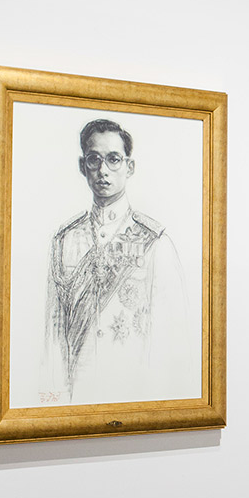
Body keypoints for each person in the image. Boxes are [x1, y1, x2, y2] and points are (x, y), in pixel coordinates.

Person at [44, 118, 191, 404]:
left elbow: (173, 340)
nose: (103, 170)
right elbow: (53, 334)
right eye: (94, 159)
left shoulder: (155, 242)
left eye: (113, 159)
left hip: (135, 393)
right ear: (82, 166)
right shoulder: (64, 240)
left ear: (129, 167)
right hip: (76, 397)